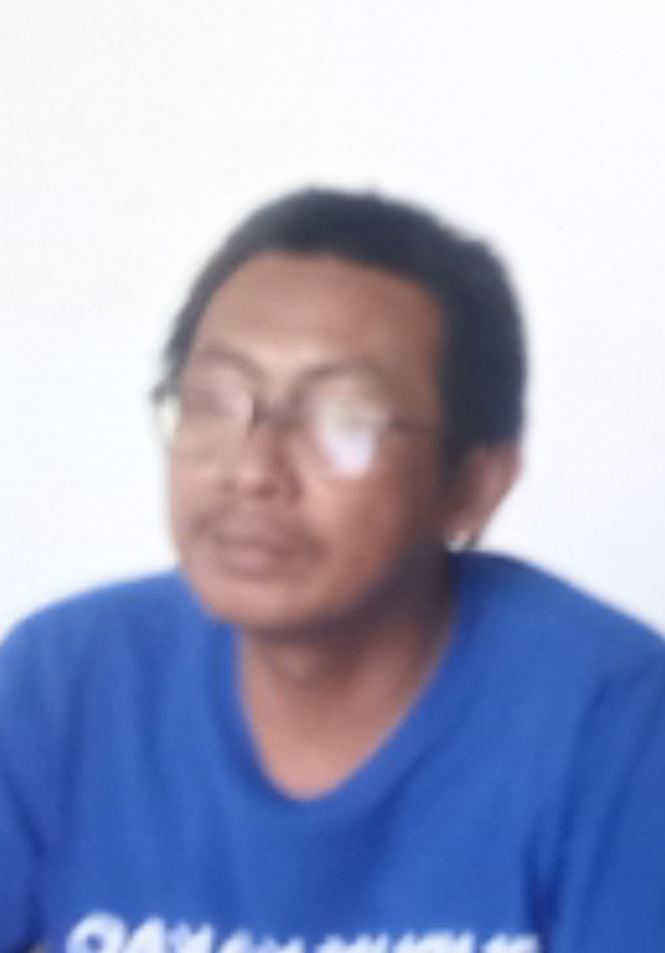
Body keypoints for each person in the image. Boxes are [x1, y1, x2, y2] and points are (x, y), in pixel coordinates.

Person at [1, 189, 664, 953]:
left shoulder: (606, 714)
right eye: (215, 400)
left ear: (474, 484)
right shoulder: (68, 678)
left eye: (344, 421)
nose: (252, 470)